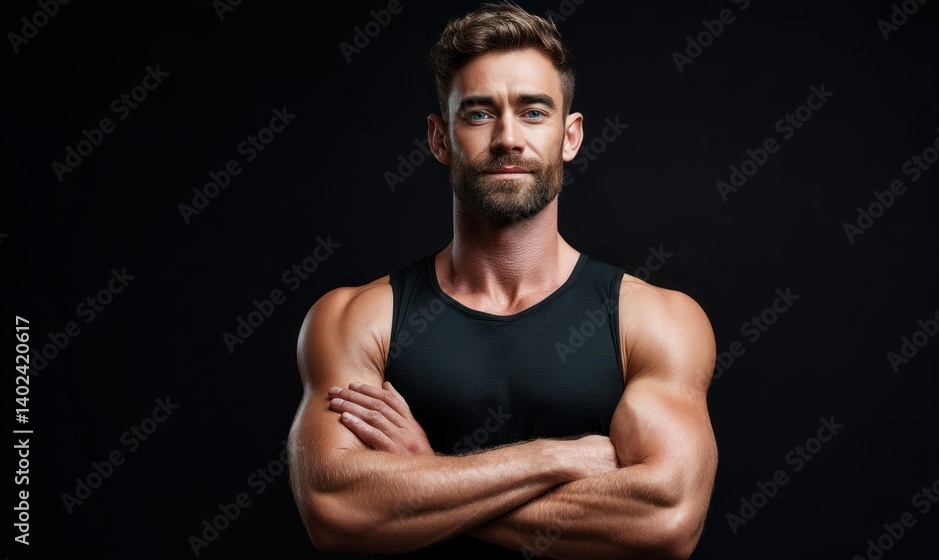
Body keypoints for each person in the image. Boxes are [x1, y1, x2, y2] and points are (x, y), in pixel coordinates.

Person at [288, 3, 718, 558]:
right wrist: (554, 458)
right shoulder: (356, 318)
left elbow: (667, 520)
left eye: (534, 112)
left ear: (570, 136)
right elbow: (336, 510)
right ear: (440, 138)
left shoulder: (655, 319)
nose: (508, 138)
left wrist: (424, 476)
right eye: (478, 114)